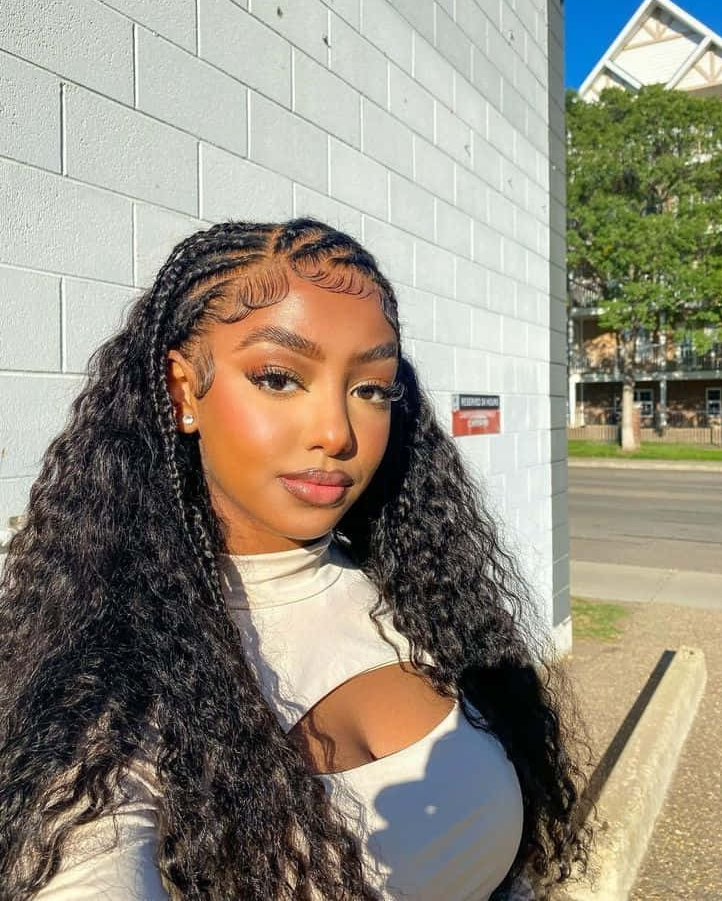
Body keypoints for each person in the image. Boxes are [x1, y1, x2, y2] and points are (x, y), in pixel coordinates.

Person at [0, 219, 590, 899]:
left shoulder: (425, 598)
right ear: (182, 390)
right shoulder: (115, 677)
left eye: (370, 388)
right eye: (279, 378)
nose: (337, 433)